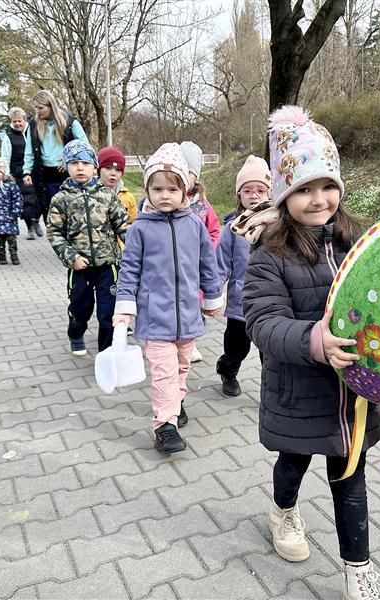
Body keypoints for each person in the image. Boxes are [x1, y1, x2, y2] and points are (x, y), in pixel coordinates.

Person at [237, 106, 380, 600]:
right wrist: (313, 341)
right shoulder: (270, 255)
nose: (318, 198)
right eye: (302, 188)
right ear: (283, 194)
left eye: (326, 185)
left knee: (350, 479)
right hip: (299, 394)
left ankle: (358, 570)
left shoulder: (361, 242)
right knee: (293, 464)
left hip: (354, 397)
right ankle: (283, 511)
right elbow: (263, 323)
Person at [113, 143, 223, 454]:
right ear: (147, 189)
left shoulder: (194, 225)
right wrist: (124, 309)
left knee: (181, 368)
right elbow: (129, 270)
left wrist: (212, 298)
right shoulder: (140, 230)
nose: (165, 195)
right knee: (163, 372)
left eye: (172, 189)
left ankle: (176, 401)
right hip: (155, 319)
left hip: (188, 317)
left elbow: (207, 264)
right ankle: (164, 425)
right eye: (157, 188)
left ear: (185, 191)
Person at [46, 140, 129, 356]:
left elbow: (123, 225)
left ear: (94, 166)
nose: (80, 168)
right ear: (66, 166)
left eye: (85, 162)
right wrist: (71, 257)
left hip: (107, 265)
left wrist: (140, 248)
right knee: (80, 307)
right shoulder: (60, 199)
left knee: (108, 311)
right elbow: (54, 233)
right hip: (79, 266)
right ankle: (76, 334)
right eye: (74, 163)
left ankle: (107, 352)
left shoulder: (108, 196)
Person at [215, 155, 271, 397]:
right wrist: (213, 294)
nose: (254, 195)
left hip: (271, 304)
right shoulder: (232, 229)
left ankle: (271, 389)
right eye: (247, 190)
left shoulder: (277, 226)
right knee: (236, 347)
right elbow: (220, 264)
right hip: (240, 304)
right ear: (239, 195)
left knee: (269, 352)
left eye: (260, 190)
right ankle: (228, 370)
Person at [179, 141, 220, 363]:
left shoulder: (203, 205)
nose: (183, 177)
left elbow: (214, 231)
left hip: (195, 266)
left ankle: (190, 343)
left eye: (189, 172)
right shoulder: (163, 201)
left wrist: (207, 251)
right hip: (172, 266)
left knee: (194, 305)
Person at [22, 91, 89, 226]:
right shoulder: (33, 124)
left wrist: (68, 158)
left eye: (41, 108)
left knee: (71, 209)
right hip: (45, 174)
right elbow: (29, 150)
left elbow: (84, 145)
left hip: (66, 172)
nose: (38, 111)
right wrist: (27, 171)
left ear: (51, 106)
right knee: (52, 211)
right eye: (36, 108)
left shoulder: (69, 122)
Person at [1, 107, 42, 240]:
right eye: (14, 121)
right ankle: (30, 227)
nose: (17, 124)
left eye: (19, 121)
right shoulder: (8, 137)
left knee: (40, 198)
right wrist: (7, 175)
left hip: (36, 170)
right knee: (26, 201)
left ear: (25, 120)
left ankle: (36, 219)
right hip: (18, 173)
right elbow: (5, 157)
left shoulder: (33, 133)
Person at [97, 146, 137, 223]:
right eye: (108, 168)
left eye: (118, 170)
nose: (113, 173)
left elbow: (133, 225)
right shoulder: (90, 194)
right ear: (99, 170)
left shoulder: (128, 197)